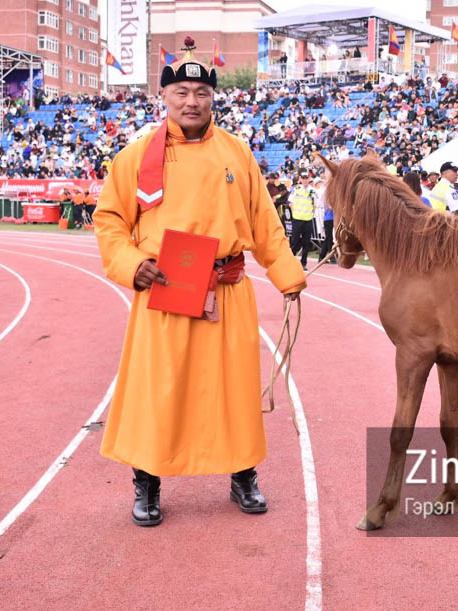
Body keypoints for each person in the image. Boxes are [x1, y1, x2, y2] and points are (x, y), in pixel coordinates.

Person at [93, 36, 306, 527]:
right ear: (164, 96)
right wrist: (131, 265)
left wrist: (287, 274)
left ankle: (243, 475)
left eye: (202, 93)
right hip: (165, 288)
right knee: (159, 389)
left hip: (228, 290)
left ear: (213, 97)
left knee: (234, 390)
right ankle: (147, 483)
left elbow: (264, 220)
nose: (192, 101)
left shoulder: (237, 152)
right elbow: (110, 221)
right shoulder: (134, 157)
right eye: (182, 92)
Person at [288, 171, 316, 269]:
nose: (305, 180)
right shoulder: (296, 189)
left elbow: (315, 204)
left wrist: (311, 213)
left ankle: (303, 263)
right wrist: (294, 212)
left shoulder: (312, 191)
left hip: (308, 219)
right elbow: (290, 202)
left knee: (306, 243)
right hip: (297, 219)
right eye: (303, 178)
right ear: (300, 179)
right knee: (294, 242)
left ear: (309, 179)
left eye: (306, 178)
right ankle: (290, 262)